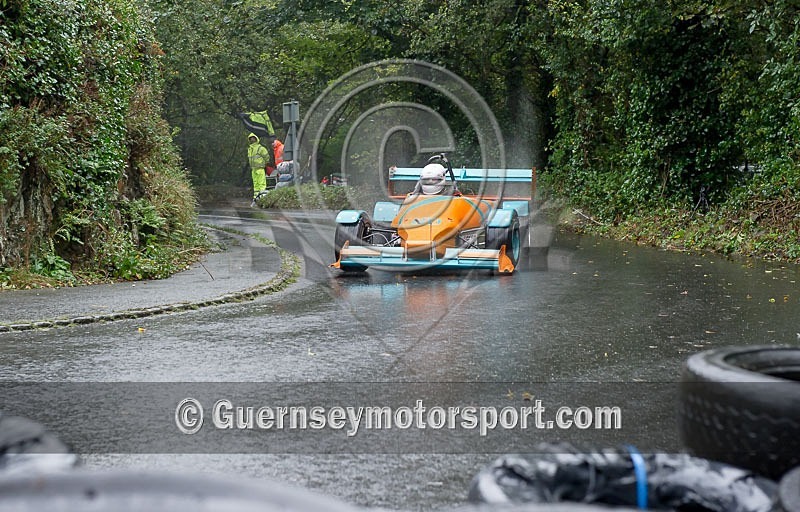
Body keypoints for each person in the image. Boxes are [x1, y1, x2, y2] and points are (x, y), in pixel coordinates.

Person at [247, 133, 269, 206]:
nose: (252, 139)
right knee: (256, 185)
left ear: (256, 139)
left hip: (259, 168)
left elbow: (266, 157)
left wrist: (264, 164)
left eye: (253, 138)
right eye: (250, 138)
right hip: (254, 169)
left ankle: (263, 198)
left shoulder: (260, 148)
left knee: (261, 184)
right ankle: (256, 199)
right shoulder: (250, 149)